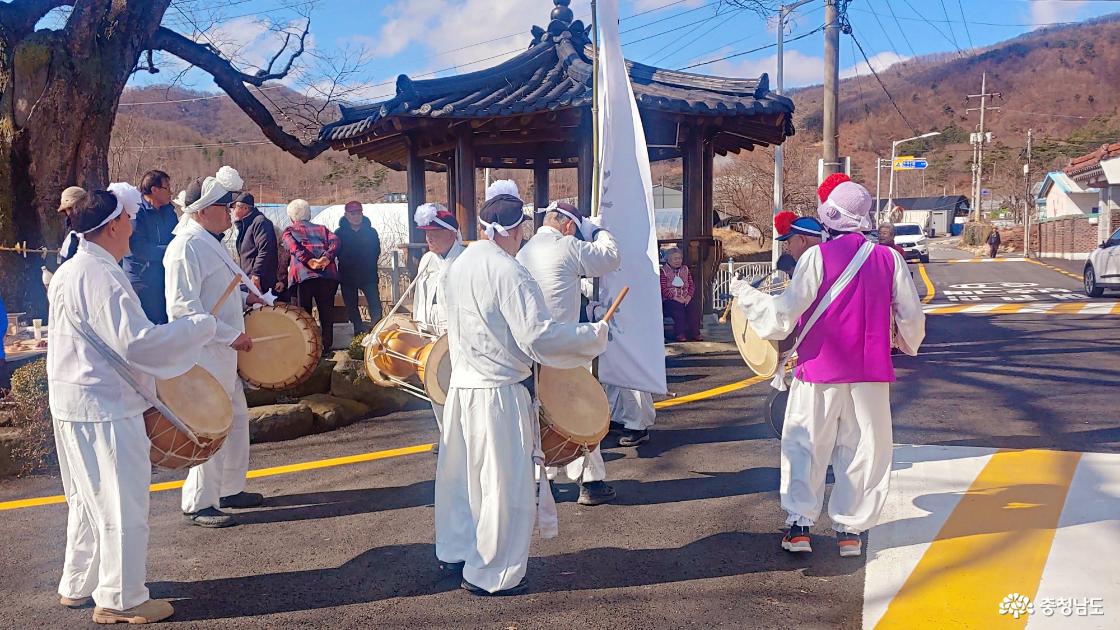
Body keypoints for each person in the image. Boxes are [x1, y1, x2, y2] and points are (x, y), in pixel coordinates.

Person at [47, 187, 217, 624]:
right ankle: (121, 598)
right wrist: (196, 328)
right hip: (105, 404)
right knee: (122, 503)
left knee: (86, 499)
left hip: (73, 401)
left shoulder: (73, 269)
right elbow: (136, 343)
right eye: (130, 218)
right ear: (113, 226)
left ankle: (77, 582)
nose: (135, 224)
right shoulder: (99, 275)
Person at [730, 180, 925, 559]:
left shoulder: (816, 258)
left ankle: (800, 526)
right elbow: (910, 315)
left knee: (807, 443)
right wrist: (905, 344)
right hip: (870, 373)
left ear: (829, 218)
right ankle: (850, 530)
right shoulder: (890, 259)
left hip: (819, 368)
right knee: (864, 448)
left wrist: (747, 296)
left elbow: (784, 314)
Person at [435, 192, 609, 596]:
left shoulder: (458, 265)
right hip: (497, 391)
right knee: (502, 485)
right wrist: (591, 336)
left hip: (462, 389)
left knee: (462, 480)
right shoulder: (508, 271)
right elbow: (538, 337)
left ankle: (457, 551)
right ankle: (491, 573)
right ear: (515, 230)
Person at [165, 167, 266, 529]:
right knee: (210, 424)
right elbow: (182, 309)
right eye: (225, 206)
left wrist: (251, 297)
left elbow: (219, 290)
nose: (230, 211)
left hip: (222, 352)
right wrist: (228, 335)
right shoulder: (185, 247)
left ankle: (228, 488)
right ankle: (198, 502)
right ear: (203, 210)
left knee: (236, 420)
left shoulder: (208, 240)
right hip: (204, 353)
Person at [518, 201, 620, 506]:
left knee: (541, 415)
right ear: (569, 226)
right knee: (581, 412)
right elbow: (610, 257)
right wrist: (598, 230)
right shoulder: (567, 246)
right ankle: (591, 481)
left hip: (531, 349)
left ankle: (540, 481)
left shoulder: (524, 253)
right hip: (565, 344)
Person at [410, 203, 465, 438]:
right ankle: (446, 438)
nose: (428, 238)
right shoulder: (427, 260)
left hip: (454, 334)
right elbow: (419, 296)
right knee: (434, 386)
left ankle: (462, 436)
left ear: (451, 233)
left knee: (455, 388)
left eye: (434, 233)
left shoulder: (464, 260)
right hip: (429, 332)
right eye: (426, 233)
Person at [283, 199, 340, 355]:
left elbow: (294, 248)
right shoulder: (323, 229)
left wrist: (309, 261)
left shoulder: (289, 231)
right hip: (327, 276)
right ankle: (326, 348)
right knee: (326, 313)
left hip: (302, 277)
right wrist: (326, 258)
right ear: (309, 214)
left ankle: (307, 349)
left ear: (291, 217)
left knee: (303, 314)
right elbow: (335, 241)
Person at [123, 170, 179, 324]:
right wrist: (171, 251)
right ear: (154, 190)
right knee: (150, 325)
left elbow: (177, 237)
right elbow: (138, 248)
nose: (171, 193)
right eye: (167, 188)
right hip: (142, 279)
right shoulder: (136, 212)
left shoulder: (169, 211)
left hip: (164, 275)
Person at [335, 201, 382, 334]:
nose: (356, 216)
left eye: (358, 213)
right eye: (352, 213)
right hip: (347, 276)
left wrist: (369, 263)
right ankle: (358, 332)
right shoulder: (339, 233)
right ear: (346, 215)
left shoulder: (371, 232)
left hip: (368, 275)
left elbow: (376, 250)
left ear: (362, 214)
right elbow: (336, 252)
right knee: (351, 307)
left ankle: (377, 331)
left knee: (375, 305)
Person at [231, 192, 278, 298]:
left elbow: (265, 250)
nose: (233, 211)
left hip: (260, 280)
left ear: (245, 208)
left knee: (262, 311)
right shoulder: (246, 224)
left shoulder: (260, 222)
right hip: (248, 278)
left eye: (235, 208)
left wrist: (256, 274)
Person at [660, 247, 698, 342]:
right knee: (678, 310)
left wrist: (689, 296)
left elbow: (691, 285)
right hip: (670, 299)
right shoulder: (663, 271)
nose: (678, 261)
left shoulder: (685, 269)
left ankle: (695, 333)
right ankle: (680, 334)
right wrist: (675, 298)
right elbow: (663, 288)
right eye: (675, 259)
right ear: (668, 259)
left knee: (693, 309)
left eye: (679, 258)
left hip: (685, 297)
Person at [56, 186, 88, 266]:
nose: (70, 213)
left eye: (71, 208)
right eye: (68, 209)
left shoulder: (95, 226)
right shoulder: (70, 227)